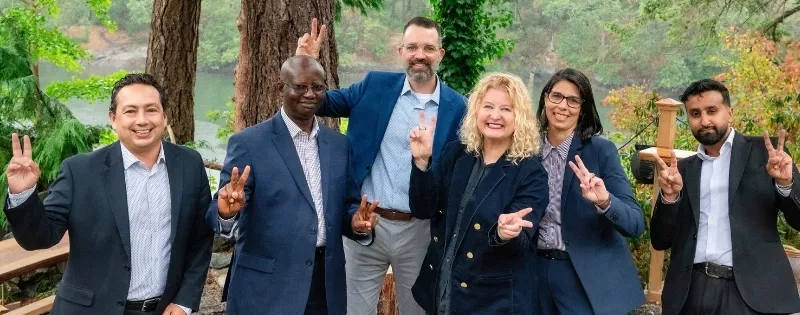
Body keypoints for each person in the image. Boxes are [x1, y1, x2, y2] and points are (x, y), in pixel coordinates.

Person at [295, 17, 467, 314]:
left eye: (428, 47)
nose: (419, 54)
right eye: (412, 46)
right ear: (401, 51)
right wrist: (304, 65)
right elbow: (320, 103)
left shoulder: (458, 108)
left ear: (441, 53)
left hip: (420, 231)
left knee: (420, 310)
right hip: (365, 225)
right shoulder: (375, 86)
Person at [3, 73, 213, 315]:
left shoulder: (188, 163)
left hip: (164, 310)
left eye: (151, 110)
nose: (142, 120)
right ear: (113, 118)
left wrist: (184, 301)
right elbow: (40, 238)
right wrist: (22, 194)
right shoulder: (80, 170)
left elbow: (200, 238)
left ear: (165, 116)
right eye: (130, 111)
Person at [206, 55, 379, 315]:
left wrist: (356, 223)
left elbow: (345, 206)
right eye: (300, 86)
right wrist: (227, 213)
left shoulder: (339, 145)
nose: (309, 94)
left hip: (324, 285)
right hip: (267, 287)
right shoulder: (249, 144)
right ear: (281, 89)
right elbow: (221, 208)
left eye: (317, 87)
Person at [651, 79, 800, 315]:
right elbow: (660, 240)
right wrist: (670, 198)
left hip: (751, 293)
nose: (705, 121)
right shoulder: (682, 170)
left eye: (712, 111)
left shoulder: (766, 154)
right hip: (690, 291)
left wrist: (785, 182)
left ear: (729, 113)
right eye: (695, 113)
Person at [407, 73, 549, 314]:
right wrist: (421, 163)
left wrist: (504, 234)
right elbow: (423, 209)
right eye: (488, 106)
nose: (495, 115)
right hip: (442, 289)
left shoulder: (530, 173)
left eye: (506, 109)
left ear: (520, 117)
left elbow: (522, 243)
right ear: (476, 111)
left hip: (490, 300)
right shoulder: (457, 153)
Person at [533, 68, 645, 315]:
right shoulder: (528, 150)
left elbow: (635, 224)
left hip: (585, 277)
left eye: (573, 100)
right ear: (545, 98)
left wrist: (605, 201)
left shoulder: (600, 151)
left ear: (583, 108)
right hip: (534, 272)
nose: (563, 106)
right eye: (557, 96)